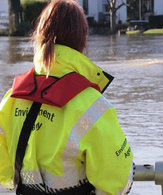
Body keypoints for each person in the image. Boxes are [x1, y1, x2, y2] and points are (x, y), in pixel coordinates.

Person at [0, 0, 134, 194]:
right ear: (82, 42)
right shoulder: (91, 105)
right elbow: (118, 180)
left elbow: (5, 173)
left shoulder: (11, 99)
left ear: (39, 37)